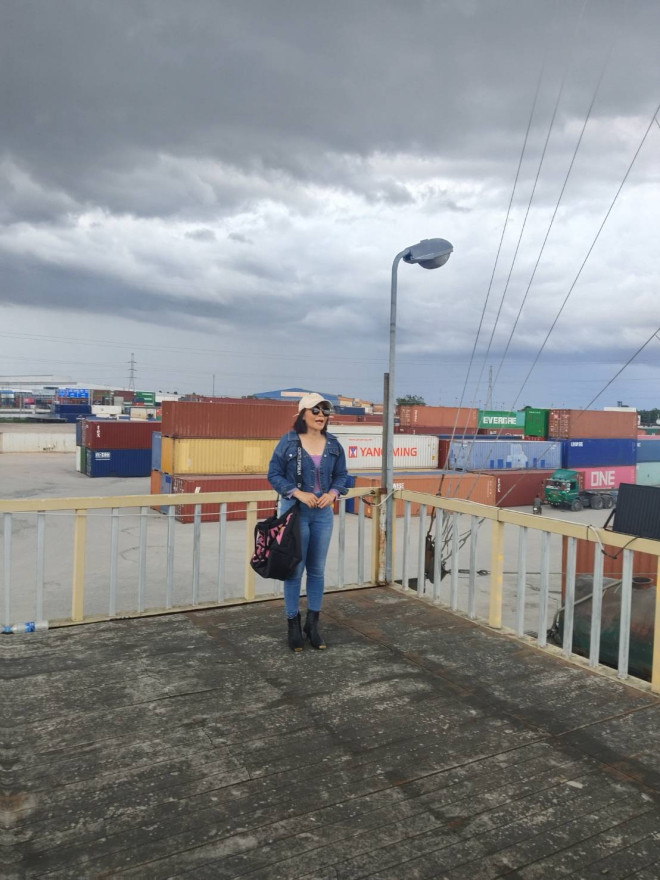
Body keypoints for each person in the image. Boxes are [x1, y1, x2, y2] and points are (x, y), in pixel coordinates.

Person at [267, 392, 349, 652]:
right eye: (315, 410)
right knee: (295, 569)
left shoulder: (334, 445)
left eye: (325, 410)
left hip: (322, 515)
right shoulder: (289, 441)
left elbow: (342, 476)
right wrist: (297, 492)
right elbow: (274, 474)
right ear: (302, 414)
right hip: (295, 513)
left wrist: (332, 493)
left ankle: (312, 625)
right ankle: (293, 624)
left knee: (317, 570)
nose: (321, 415)